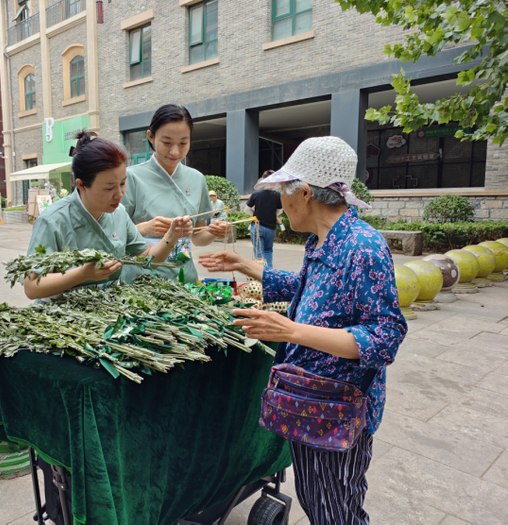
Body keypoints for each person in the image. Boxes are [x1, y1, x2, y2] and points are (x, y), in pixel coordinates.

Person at [199, 136, 407, 525]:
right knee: (318, 502)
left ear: (306, 193)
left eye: (283, 193)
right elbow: (306, 290)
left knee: (336, 511)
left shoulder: (363, 247)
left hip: (339, 409)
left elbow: (385, 336)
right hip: (311, 403)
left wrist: (292, 331)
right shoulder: (322, 241)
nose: (280, 204)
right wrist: (245, 265)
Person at [24, 131, 189, 300]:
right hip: (61, 316)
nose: (119, 194)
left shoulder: (119, 214)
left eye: (123, 183)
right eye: (109, 188)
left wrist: (171, 236)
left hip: (106, 309)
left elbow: (149, 259)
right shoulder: (52, 221)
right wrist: (82, 273)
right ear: (81, 185)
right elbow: (31, 286)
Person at [122, 104, 230, 283]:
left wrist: (214, 232)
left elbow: (198, 237)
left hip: (184, 278)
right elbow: (112, 235)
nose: (175, 151)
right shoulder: (130, 178)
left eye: (183, 143)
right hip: (142, 279)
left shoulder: (196, 179)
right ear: (150, 136)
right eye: (166, 142)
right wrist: (145, 228)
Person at [246, 170, 284, 267]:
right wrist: (272, 214)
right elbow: (280, 210)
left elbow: (246, 209)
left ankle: (261, 274)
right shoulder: (277, 195)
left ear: (263, 179)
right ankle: (269, 272)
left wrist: (254, 214)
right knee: (268, 250)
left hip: (257, 226)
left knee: (259, 251)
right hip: (271, 227)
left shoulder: (256, 194)